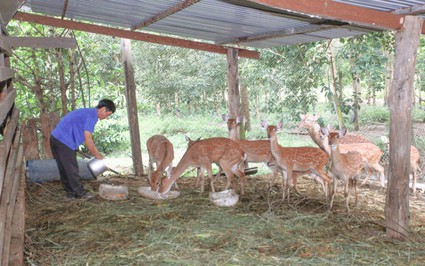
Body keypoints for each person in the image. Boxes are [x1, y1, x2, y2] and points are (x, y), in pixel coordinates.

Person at [50, 99, 116, 200]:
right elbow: (88, 139)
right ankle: (81, 194)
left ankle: (70, 193)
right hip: (64, 141)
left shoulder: (87, 112)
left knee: (64, 168)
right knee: (72, 169)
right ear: (103, 109)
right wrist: (97, 154)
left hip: (55, 138)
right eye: (108, 114)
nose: (106, 117)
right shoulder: (92, 116)